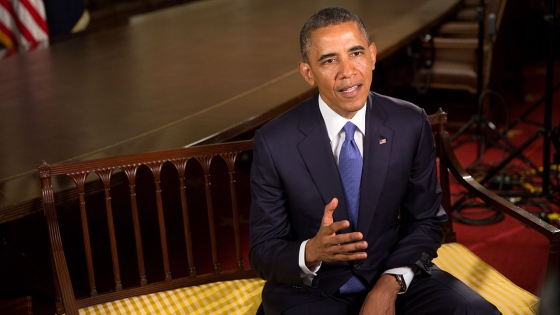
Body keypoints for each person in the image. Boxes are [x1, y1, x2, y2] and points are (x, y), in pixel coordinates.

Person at [249, 7, 501, 315]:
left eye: (355, 53)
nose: (347, 71)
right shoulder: (275, 141)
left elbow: (425, 221)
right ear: (307, 73)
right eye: (329, 60)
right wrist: (313, 251)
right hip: (310, 290)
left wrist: (388, 285)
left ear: (372, 55)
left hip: (392, 273)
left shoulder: (409, 122)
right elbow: (263, 252)